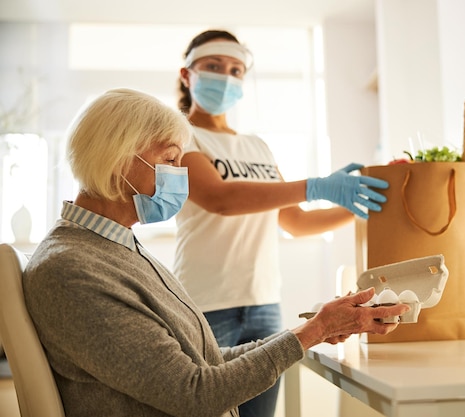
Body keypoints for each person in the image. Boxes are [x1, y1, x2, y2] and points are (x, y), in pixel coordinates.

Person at [22, 88, 408, 417]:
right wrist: (315, 330)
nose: (180, 174)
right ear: (119, 159)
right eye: (171, 159)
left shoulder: (115, 247)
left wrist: (317, 329)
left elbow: (202, 361)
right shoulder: (73, 269)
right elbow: (195, 392)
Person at [174, 30, 389, 417]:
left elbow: (295, 222)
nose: (226, 76)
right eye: (213, 66)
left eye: (236, 69)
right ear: (187, 75)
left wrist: (358, 205)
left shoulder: (257, 147)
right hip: (206, 303)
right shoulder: (180, 136)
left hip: (264, 304)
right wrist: (315, 185)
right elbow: (221, 199)